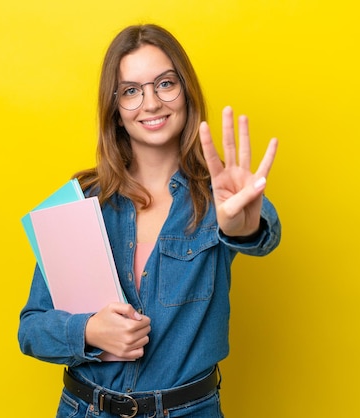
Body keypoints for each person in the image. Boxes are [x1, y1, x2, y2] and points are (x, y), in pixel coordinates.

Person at [18, 23, 281, 418]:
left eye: (165, 84)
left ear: (186, 93)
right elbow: (31, 329)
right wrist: (89, 331)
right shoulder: (82, 202)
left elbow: (259, 231)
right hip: (85, 408)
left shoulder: (220, 197)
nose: (151, 103)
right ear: (116, 111)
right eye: (131, 91)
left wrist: (243, 225)